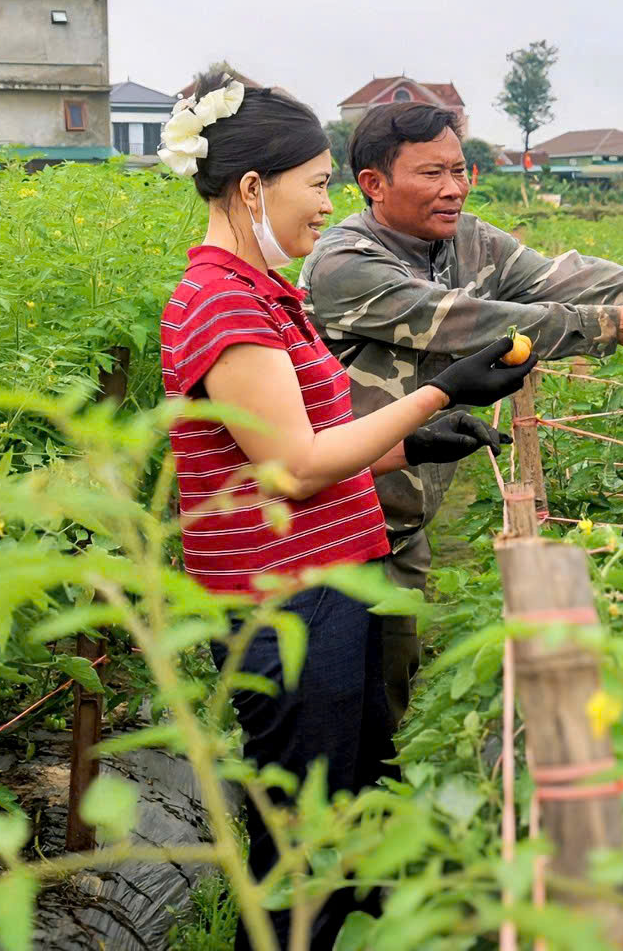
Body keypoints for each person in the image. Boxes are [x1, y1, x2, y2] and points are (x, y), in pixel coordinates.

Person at [157, 71, 536, 949]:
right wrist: (438, 394)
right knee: (304, 831)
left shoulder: (263, 293)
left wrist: (408, 444)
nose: (328, 206)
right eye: (317, 184)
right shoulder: (223, 301)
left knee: (347, 797)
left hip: (328, 582)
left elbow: (304, 440)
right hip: (287, 601)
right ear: (253, 189)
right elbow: (291, 468)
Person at [301, 102, 623, 726]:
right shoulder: (346, 263)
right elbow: (461, 322)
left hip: (400, 521)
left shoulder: (469, 240)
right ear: (374, 184)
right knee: (323, 709)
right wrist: (612, 326)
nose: (453, 189)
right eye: (431, 174)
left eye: (460, 170)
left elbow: (561, 279)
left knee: (388, 699)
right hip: (327, 527)